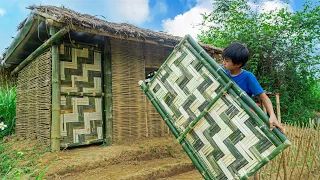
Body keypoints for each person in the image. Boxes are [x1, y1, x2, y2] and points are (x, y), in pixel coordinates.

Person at [222, 42, 284, 133]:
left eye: (227, 61)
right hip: (222, 111)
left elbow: (264, 98)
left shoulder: (248, 77)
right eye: (223, 59)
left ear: (238, 64)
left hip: (239, 117)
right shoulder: (222, 71)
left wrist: (272, 115)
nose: (223, 63)